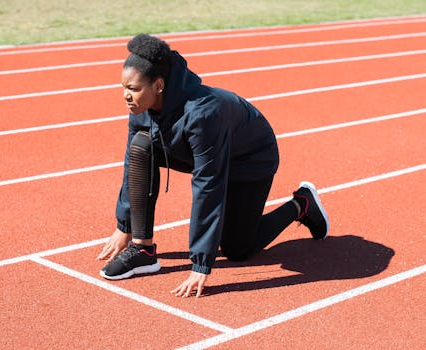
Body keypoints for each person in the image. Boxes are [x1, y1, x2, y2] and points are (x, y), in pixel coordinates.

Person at [97, 34, 329, 298]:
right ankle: (143, 250)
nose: (126, 96)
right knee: (142, 146)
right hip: (198, 150)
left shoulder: (202, 114)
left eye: (134, 89)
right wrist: (124, 226)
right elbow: (133, 163)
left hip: (250, 158)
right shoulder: (141, 109)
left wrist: (201, 262)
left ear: (158, 85)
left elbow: (208, 185)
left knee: (237, 250)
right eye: (124, 87)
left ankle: (302, 204)